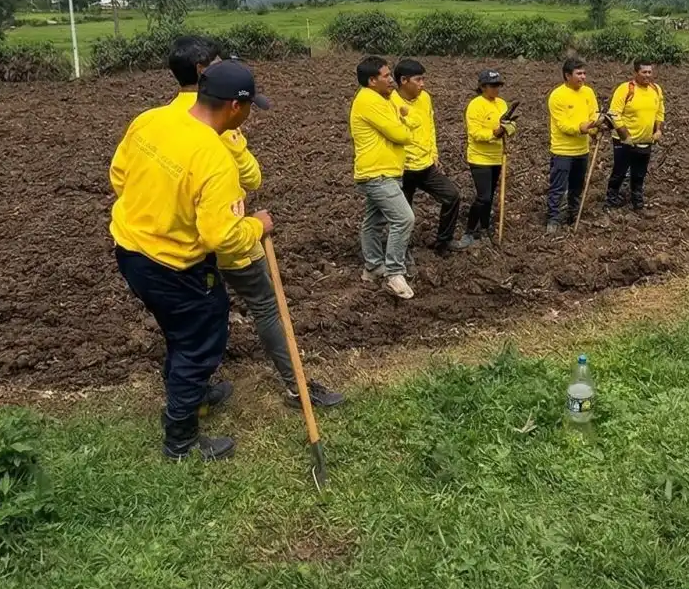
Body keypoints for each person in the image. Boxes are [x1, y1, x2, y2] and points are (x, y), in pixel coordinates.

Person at [164, 38, 344, 409]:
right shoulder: (217, 125)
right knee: (264, 304)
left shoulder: (164, 117)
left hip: (179, 240)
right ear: (202, 73)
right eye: (215, 64)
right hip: (226, 231)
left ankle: (191, 390)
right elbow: (252, 177)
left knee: (190, 318)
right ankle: (297, 387)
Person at [109, 60, 272, 461]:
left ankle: (193, 391)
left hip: (130, 251)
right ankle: (180, 440)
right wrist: (257, 225)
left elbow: (118, 175)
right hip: (172, 266)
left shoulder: (150, 121)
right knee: (199, 343)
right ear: (236, 107)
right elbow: (224, 238)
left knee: (186, 327)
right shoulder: (215, 158)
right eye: (251, 108)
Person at [348, 55, 416, 299]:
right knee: (404, 218)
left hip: (384, 171)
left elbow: (400, 119)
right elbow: (400, 133)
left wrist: (401, 118)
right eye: (386, 76)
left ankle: (373, 267)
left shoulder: (382, 98)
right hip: (377, 174)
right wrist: (404, 123)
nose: (391, 79)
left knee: (374, 221)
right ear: (371, 80)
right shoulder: (368, 100)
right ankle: (394, 273)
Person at [392, 57, 465, 262]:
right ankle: (402, 252)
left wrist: (434, 153)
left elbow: (430, 126)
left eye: (423, 79)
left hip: (425, 165)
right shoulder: (391, 102)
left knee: (452, 196)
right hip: (402, 168)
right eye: (419, 80)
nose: (423, 84)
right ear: (404, 80)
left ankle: (444, 242)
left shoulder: (425, 98)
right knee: (403, 215)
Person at [460, 69, 515, 248]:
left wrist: (509, 128)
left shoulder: (502, 104)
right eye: (493, 85)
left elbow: (511, 125)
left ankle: (484, 226)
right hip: (480, 158)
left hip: (497, 157)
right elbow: (475, 133)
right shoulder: (476, 105)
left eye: (498, 85)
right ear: (483, 87)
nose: (496, 89)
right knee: (483, 197)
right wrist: (495, 133)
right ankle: (469, 230)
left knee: (489, 196)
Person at [546, 56, 601, 232]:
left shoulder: (588, 92)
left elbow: (594, 114)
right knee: (558, 187)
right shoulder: (557, 96)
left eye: (584, 73)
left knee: (577, 185)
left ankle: (573, 214)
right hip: (562, 150)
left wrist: (596, 128)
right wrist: (582, 128)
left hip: (582, 150)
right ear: (567, 75)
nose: (583, 77)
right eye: (579, 74)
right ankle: (553, 219)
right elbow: (562, 125)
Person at [605, 59, 666, 214]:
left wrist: (658, 130)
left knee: (640, 171)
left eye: (649, 72)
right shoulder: (625, 89)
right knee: (620, 170)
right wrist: (625, 135)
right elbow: (614, 114)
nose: (647, 75)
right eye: (643, 72)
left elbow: (659, 112)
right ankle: (612, 198)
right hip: (624, 140)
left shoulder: (656, 90)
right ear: (636, 73)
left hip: (645, 140)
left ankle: (637, 199)